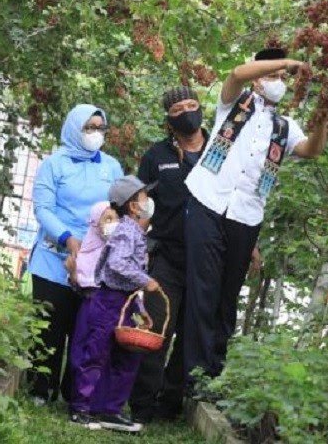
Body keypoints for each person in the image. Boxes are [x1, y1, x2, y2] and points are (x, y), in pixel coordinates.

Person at [182, 47, 328, 387]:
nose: (278, 81)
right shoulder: (234, 103)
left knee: (227, 296)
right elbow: (236, 73)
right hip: (208, 201)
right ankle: (193, 377)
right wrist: (288, 63)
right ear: (258, 77)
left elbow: (312, 150)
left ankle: (214, 374)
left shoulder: (285, 126)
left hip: (246, 215)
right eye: (271, 75)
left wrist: (323, 117)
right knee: (203, 290)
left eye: (281, 78)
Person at [27, 104, 124, 404]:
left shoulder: (111, 167)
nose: (95, 133)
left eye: (100, 128)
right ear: (74, 129)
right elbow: (43, 208)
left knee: (85, 330)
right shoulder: (54, 164)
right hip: (53, 259)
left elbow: (118, 209)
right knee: (49, 327)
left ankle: (76, 392)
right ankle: (40, 389)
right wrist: (67, 238)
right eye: (89, 128)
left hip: (94, 263)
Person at [129, 86, 209, 423]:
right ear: (169, 118)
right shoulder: (156, 156)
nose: (187, 112)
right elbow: (142, 207)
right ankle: (142, 406)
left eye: (192, 105)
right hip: (167, 257)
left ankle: (170, 404)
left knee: (192, 336)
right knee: (156, 327)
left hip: (208, 261)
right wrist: (131, 249)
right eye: (178, 109)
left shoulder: (220, 151)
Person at [68, 175, 160, 433]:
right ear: (133, 206)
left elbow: (127, 277)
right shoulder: (125, 231)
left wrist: (140, 310)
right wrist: (146, 280)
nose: (148, 201)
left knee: (126, 356)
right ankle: (80, 408)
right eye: (144, 196)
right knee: (95, 354)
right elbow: (118, 264)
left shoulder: (135, 232)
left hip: (125, 303)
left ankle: (110, 410)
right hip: (108, 301)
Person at [64, 201, 119, 288]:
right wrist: (73, 273)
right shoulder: (83, 256)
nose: (115, 224)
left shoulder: (123, 248)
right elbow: (79, 286)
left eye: (118, 218)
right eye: (108, 220)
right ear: (95, 224)